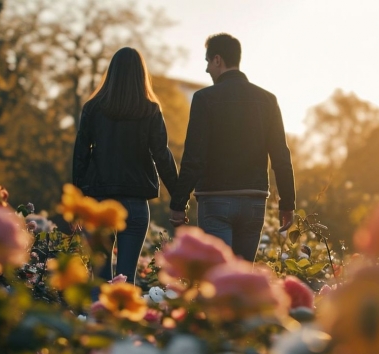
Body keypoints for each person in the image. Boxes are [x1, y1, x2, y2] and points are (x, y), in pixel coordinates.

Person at [169, 33, 295, 262]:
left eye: (208, 62)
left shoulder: (204, 99)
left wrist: (178, 203)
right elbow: (281, 156)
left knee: (217, 278)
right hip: (254, 200)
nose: (207, 69)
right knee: (243, 282)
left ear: (218, 60)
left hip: (215, 199)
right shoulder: (267, 100)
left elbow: (193, 157)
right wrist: (287, 204)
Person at [73, 47, 178, 286]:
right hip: (135, 202)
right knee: (125, 279)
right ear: (141, 74)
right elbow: (161, 154)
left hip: (99, 201)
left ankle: (95, 321)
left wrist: (78, 201)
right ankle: (120, 322)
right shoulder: (150, 110)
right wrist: (178, 199)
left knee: (98, 279)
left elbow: (81, 155)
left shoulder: (93, 108)